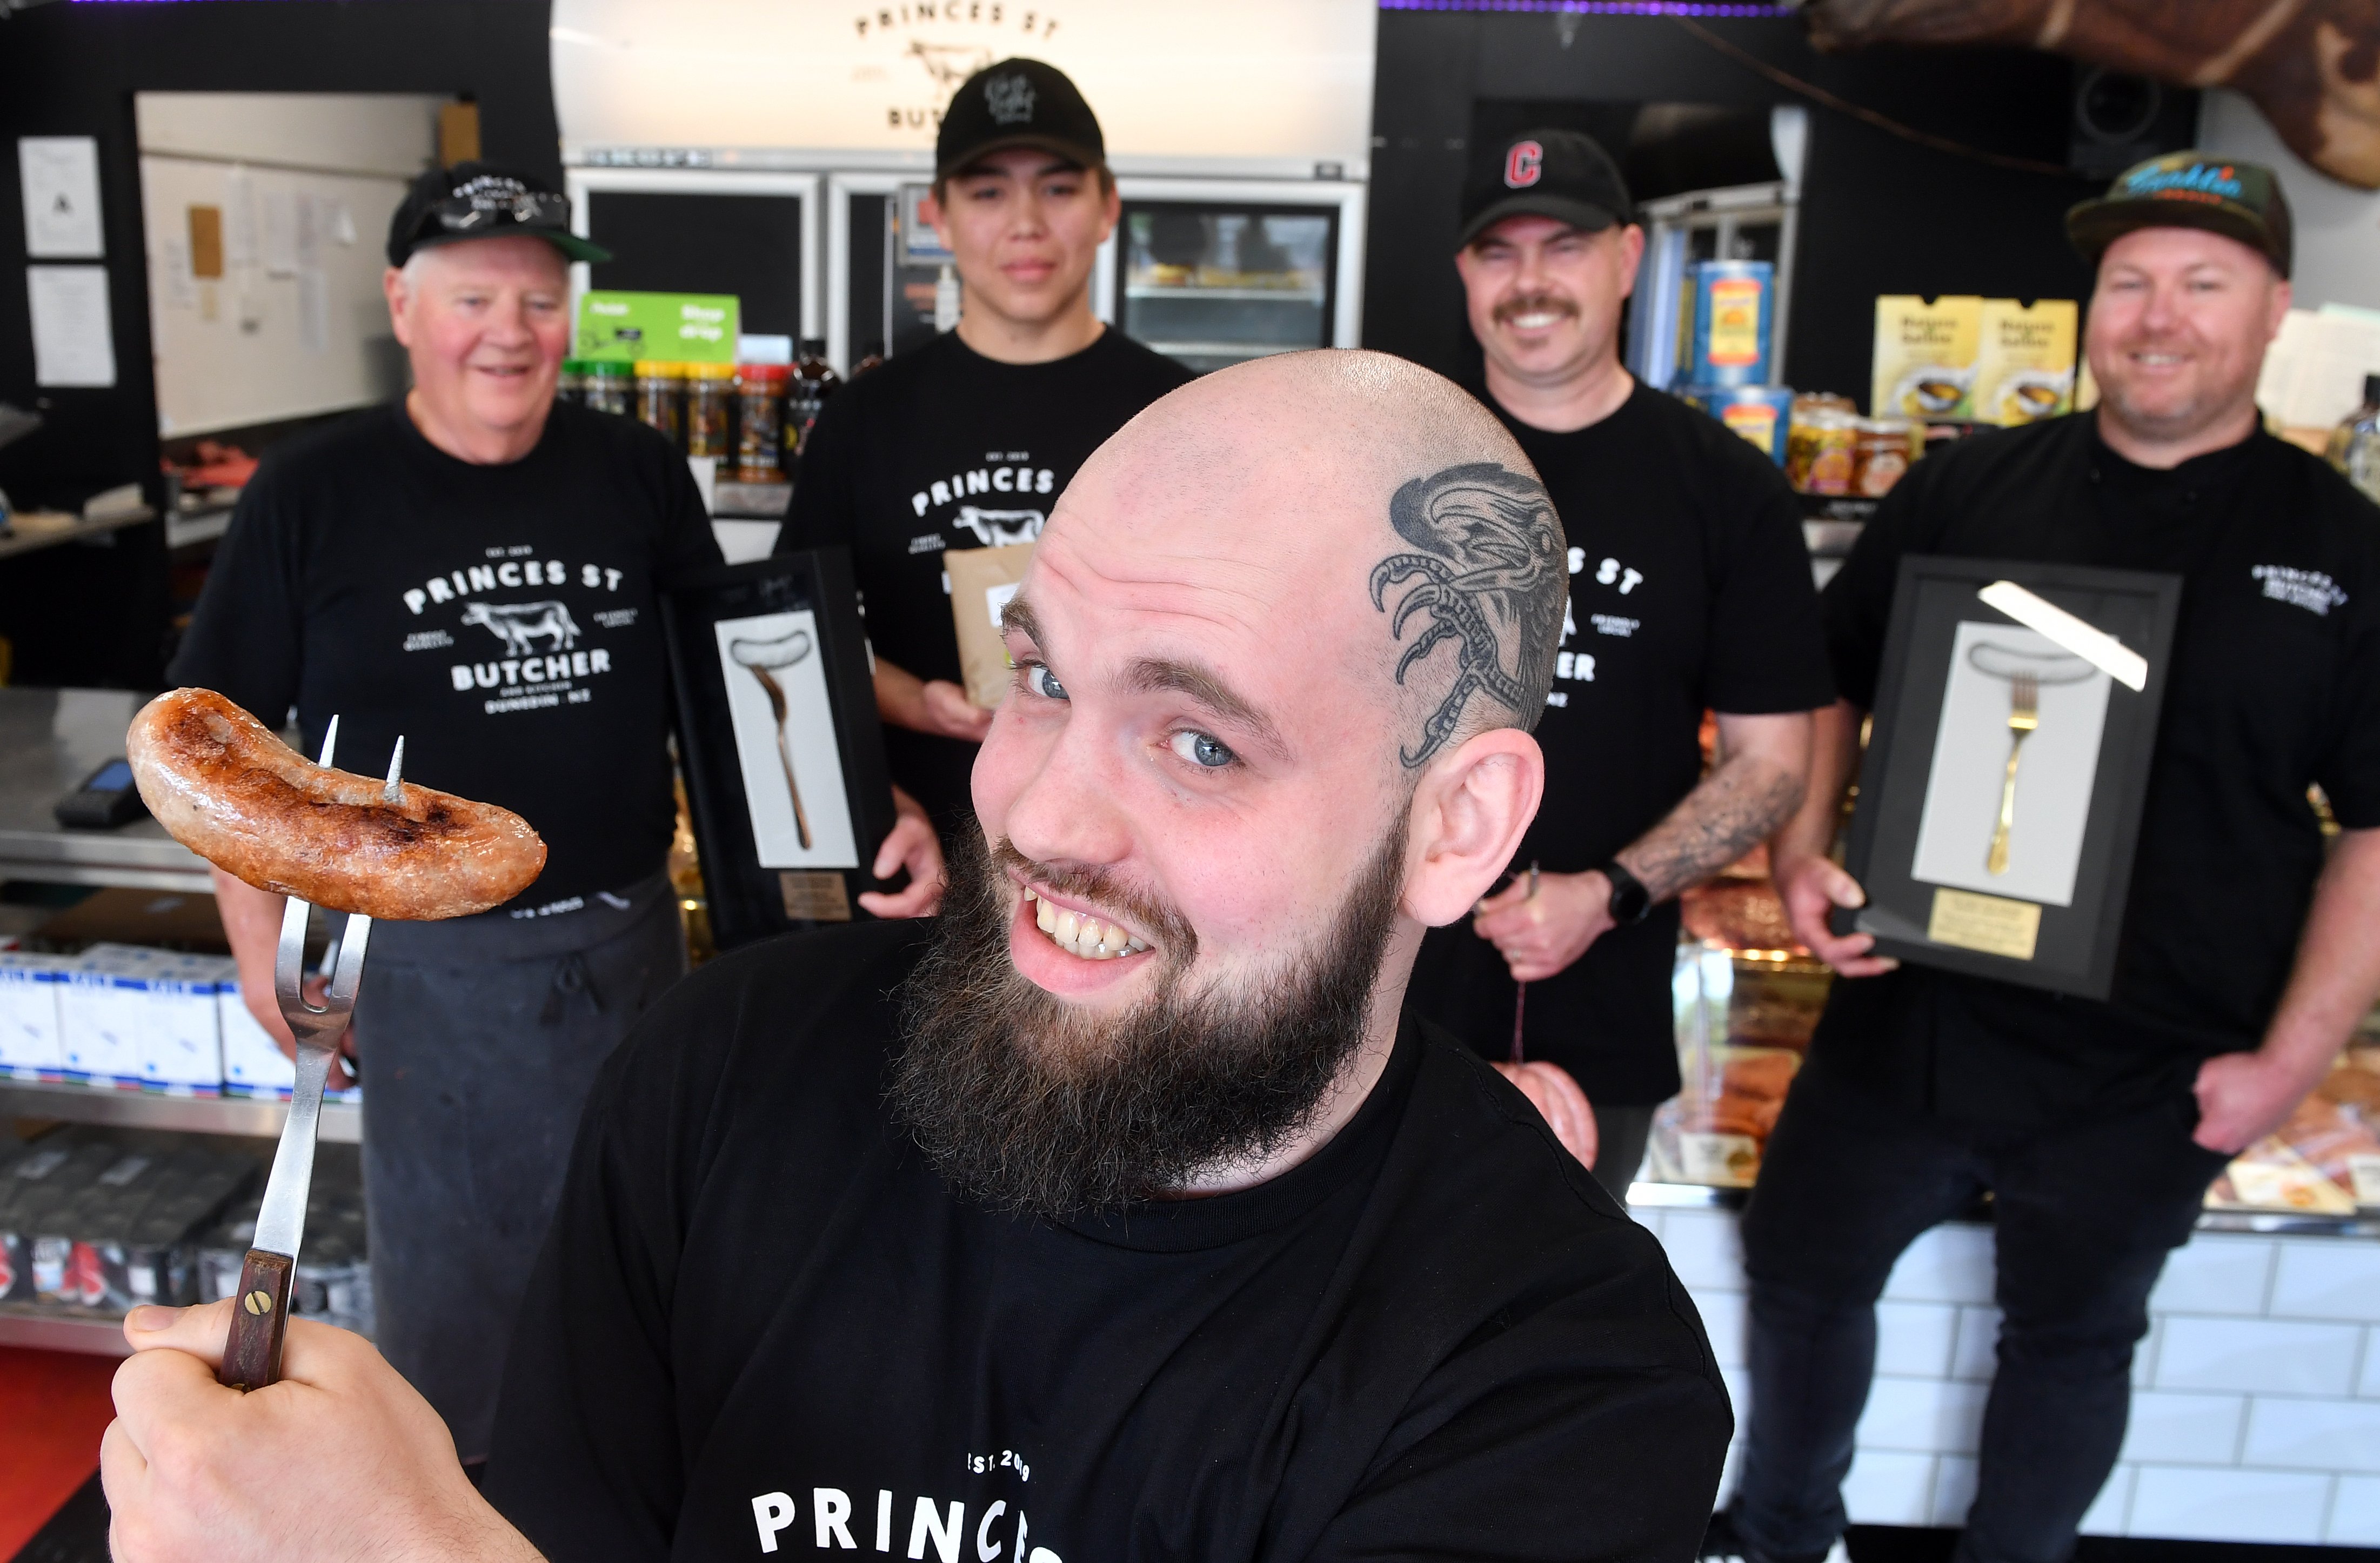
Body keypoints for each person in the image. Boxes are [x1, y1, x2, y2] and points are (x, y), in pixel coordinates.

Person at [104, 350, 1733, 1563]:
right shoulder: (722, 1072)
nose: (1032, 810)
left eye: (1199, 743)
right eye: (1039, 676)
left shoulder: (1555, 1376)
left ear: (1456, 826)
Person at [165, 162, 943, 1465]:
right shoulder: (315, 492)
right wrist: (263, 954)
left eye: (540, 297)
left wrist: (868, 804)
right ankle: (463, 1511)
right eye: (475, 296)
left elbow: (732, 669)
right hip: (425, 978)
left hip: (633, 949)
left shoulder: (634, 467)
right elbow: (220, 752)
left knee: (645, 1260)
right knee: (469, 1311)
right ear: (404, 304)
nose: (510, 331)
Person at [1716, 155, 2380, 1563]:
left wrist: (2283, 1066)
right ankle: (1780, 1536)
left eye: (2202, 282)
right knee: (1796, 1268)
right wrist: (1799, 856)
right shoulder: (1969, 484)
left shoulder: (2340, 547)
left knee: (2069, 1340)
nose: (2157, 314)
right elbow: (1823, 681)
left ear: (2273, 309)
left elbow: (2376, 827)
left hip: (2155, 1056)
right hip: (1920, 1005)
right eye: (2128, 279)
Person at [1405, 128, 1831, 1197]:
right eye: (1499, 253)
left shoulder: (1725, 489)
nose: (1531, 282)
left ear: (1630, 261)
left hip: (1600, 1016)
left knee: (1550, 1335)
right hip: (1374, 998)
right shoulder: (1386, 457)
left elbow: (1773, 760)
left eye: (1567, 248)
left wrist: (1609, 894)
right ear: (1464, 272)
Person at [775, 57, 1192, 837]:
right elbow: (794, 640)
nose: (1026, 222)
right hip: (920, 851)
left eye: (1060, 188)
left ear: (1108, 208)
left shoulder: (1182, 414)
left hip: (1123, 848)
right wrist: (917, 706)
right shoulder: (865, 416)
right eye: (988, 191)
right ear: (936, 215)